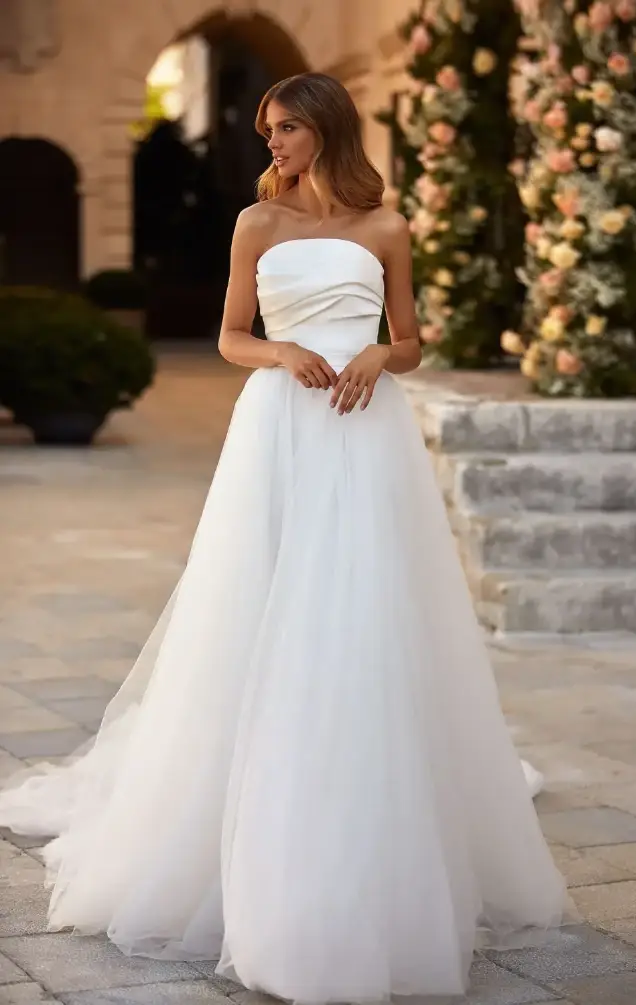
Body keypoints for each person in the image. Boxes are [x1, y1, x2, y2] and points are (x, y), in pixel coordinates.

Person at [0, 72, 569, 1002]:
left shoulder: (386, 228)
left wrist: (380, 352)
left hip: (365, 431)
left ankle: (361, 788)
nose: (273, 141)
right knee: (257, 599)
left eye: (288, 127)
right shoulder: (256, 223)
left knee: (361, 603)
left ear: (328, 130)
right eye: (268, 128)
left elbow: (412, 341)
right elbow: (231, 335)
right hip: (278, 427)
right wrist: (282, 350)